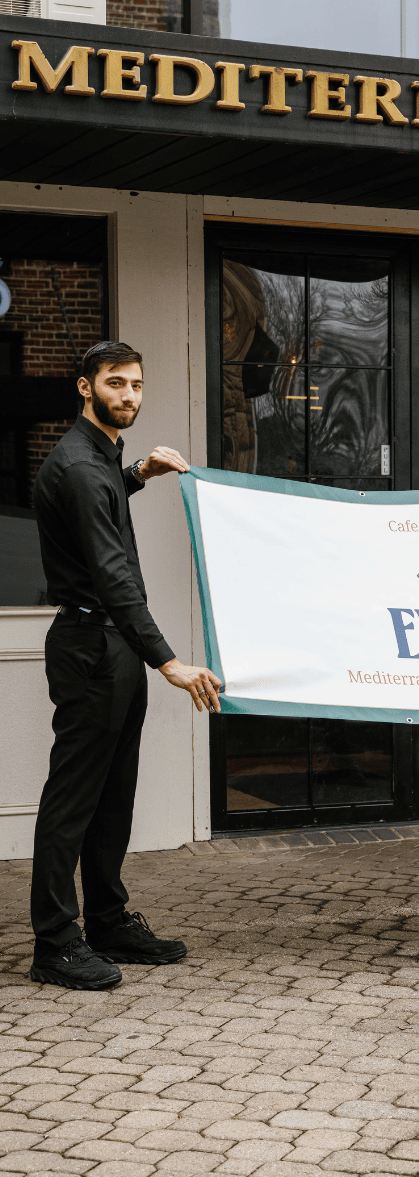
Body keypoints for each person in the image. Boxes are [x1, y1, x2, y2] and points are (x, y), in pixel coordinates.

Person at [30, 342, 223, 990]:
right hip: (91, 645)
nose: (130, 395)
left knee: (114, 798)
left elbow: (108, 493)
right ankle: (56, 944)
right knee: (73, 801)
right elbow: (112, 575)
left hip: (109, 645)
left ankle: (108, 920)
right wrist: (167, 660)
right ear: (86, 388)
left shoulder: (102, 459)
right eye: (116, 383)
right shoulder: (81, 466)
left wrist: (139, 470)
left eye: (137, 384)